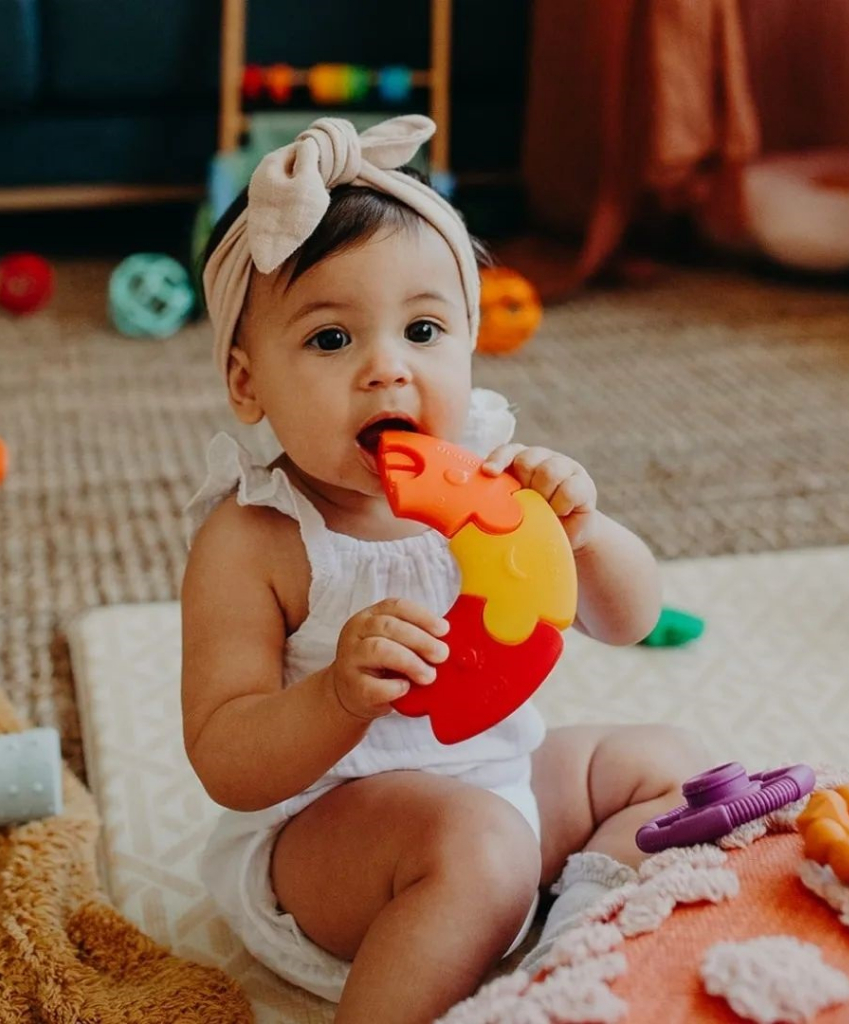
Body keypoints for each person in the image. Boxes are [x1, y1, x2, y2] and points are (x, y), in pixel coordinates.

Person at [181, 114, 708, 1024]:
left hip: (499, 782)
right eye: (331, 340)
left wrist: (583, 534)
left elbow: (628, 619)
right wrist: (337, 695)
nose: (388, 370)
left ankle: (578, 939)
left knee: (669, 764)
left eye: (423, 329)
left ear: (469, 343)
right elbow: (227, 758)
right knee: (481, 845)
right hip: (335, 840)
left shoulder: (498, 480)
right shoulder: (256, 537)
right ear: (247, 382)